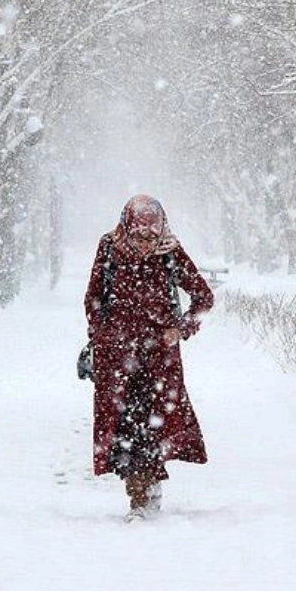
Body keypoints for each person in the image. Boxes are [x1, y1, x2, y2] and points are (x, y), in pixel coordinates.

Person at [83, 194, 214, 519]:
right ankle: (139, 493)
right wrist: (102, 335)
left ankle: (145, 495)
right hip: (117, 360)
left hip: (160, 362)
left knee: (152, 428)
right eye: (139, 236)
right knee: (124, 429)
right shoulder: (110, 248)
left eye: (151, 237)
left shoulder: (170, 252)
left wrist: (180, 330)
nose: (145, 244)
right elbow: (93, 298)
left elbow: (203, 297)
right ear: (127, 228)